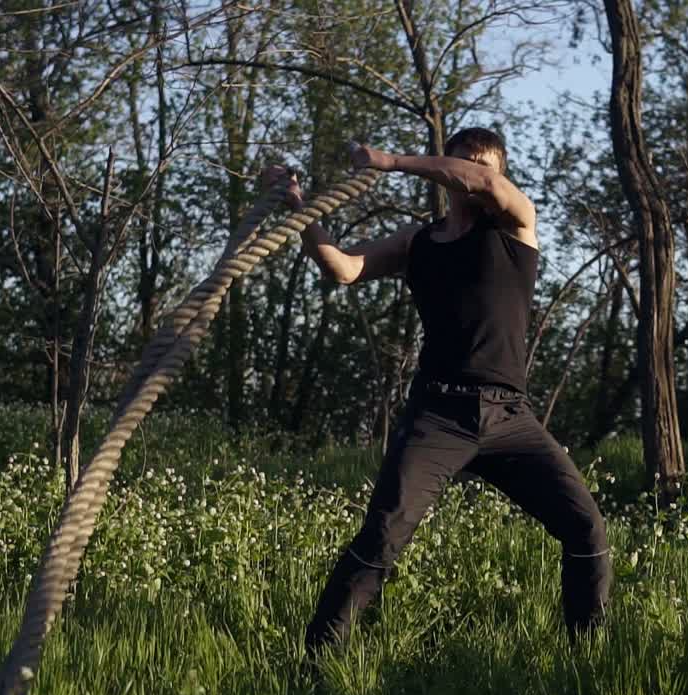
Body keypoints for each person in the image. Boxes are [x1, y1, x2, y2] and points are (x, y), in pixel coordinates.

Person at [262, 128, 612, 657]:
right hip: (438, 414)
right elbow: (344, 268)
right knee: (382, 537)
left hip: (510, 417)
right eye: (462, 162)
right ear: (445, 167)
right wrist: (300, 207)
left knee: (585, 529)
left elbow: (485, 182)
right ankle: (318, 663)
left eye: (483, 166)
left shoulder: (517, 226)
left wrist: (391, 160)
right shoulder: (416, 242)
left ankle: (589, 656)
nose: (472, 174)